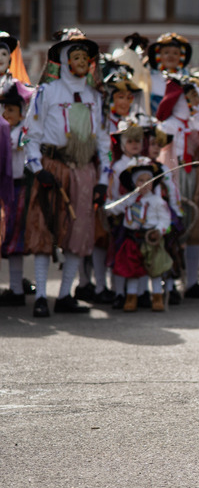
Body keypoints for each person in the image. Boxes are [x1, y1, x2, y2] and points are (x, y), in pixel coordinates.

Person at [23, 31, 111, 318]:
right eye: (76, 56)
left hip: (84, 170)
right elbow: (31, 135)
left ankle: (64, 295)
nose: (82, 61)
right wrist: (37, 168)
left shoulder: (95, 96)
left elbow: (103, 140)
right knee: (44, 228)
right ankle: (39, 297)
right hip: (52, 167)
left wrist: (101, 180)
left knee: (78, 230)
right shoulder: (47, 92)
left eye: (86, 57)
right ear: (64, 60)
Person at [155, 73, 199, 299]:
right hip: (174, 175)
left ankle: (192, 282)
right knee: (172, 228)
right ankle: (168, 282)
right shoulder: (167, 126)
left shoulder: (198, 125)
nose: (193, 102)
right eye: (189, 97)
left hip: (196, 175)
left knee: (195, 227)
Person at [109, 159, 174, 312]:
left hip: (151, 239)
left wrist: (158, 230)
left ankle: (157, 297)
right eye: (141, 180)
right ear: (134, 183)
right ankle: (131, 298)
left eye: (148, 180)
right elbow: (113, 209)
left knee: (155, 269)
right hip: (132, 239)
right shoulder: (129, 200)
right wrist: (106, 205)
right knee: (132, 270)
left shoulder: (157, 201)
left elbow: (165, 219)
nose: (145, 184)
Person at [0, 82, 33, 307]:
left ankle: (16, 288)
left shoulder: (23, 133)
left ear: (22, 113)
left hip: (19, 188)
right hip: (4, 188)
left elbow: (24, 147)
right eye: (4, 109)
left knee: (15, 239)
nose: (6, 114)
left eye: (11, 110)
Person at [147, 33, 192, 114]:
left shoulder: (188, 80)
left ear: (181, 56)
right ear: (158, 55)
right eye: (166, 52)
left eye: (175, 53)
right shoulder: (149, 79)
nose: (171, 56)